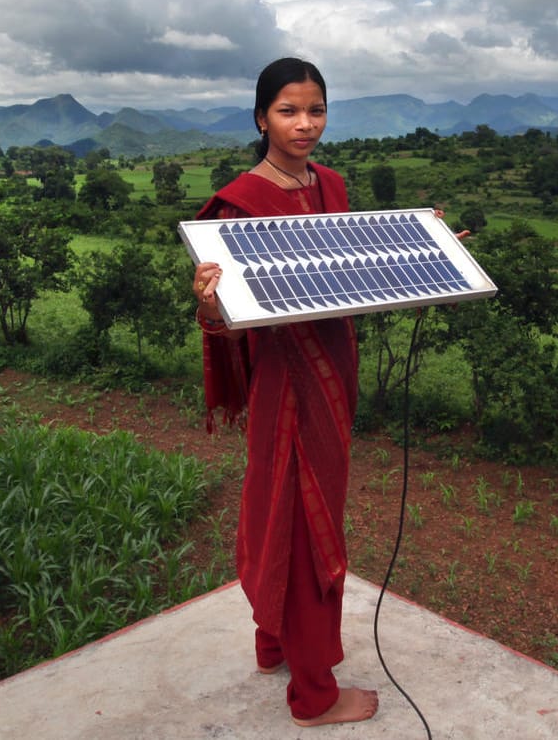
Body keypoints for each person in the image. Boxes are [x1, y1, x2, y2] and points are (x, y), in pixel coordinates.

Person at [191, 57, 375, 728]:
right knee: (296, 525)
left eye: (317, 109)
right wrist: (209, 307)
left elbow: (347, 274)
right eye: (288, 111)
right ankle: (314, 693)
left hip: (334, 375)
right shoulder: (240, 203)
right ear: (261, 117)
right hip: (286, 388)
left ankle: (273, 643)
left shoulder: (333, 184)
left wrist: (427, 253)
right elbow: (227, 326)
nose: (305, 124)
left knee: (297, 512)